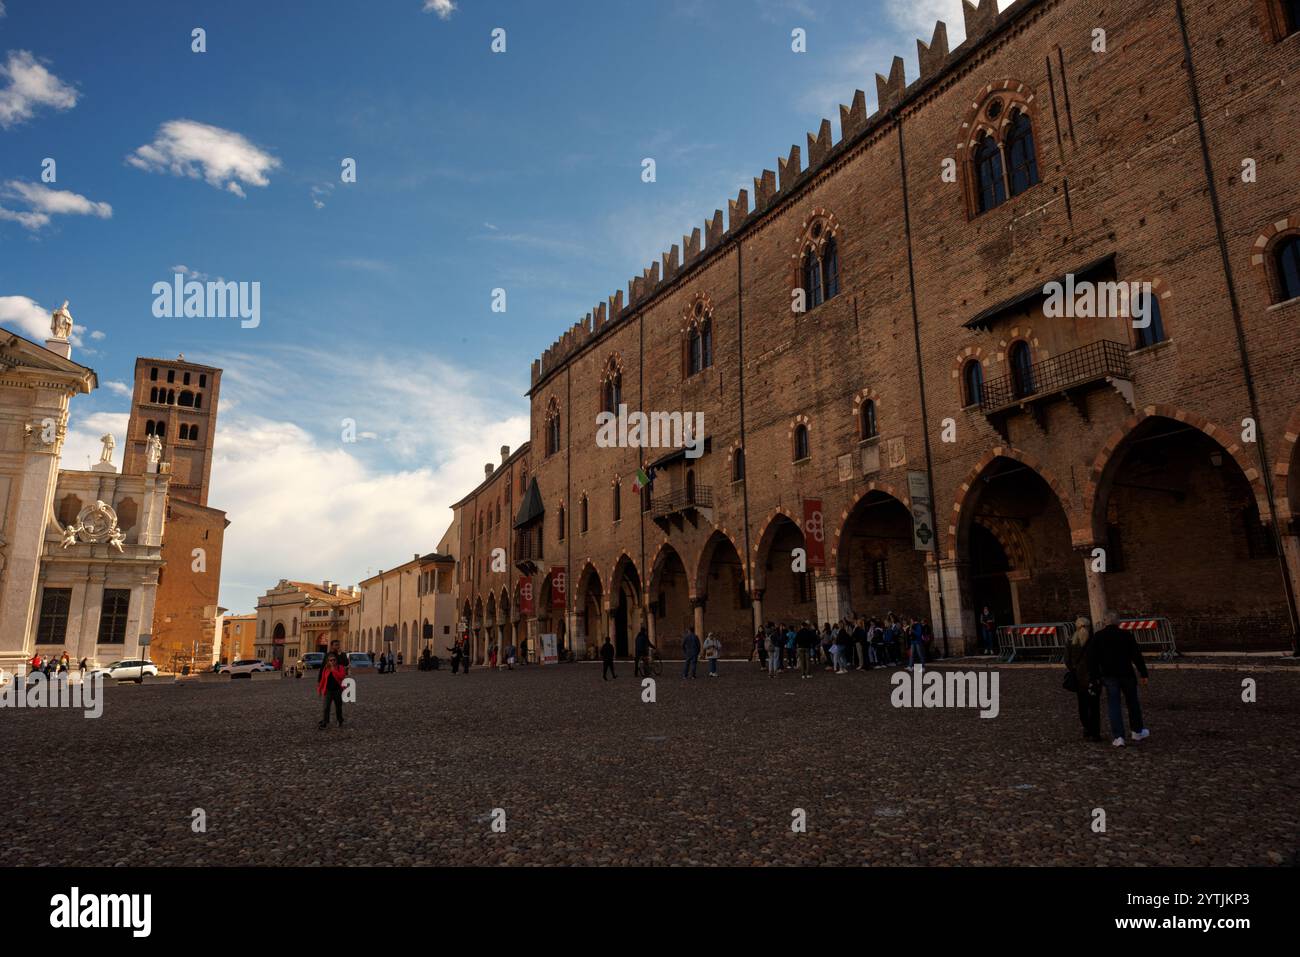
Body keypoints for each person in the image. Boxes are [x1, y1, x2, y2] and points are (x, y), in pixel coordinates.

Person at [1087, 612, 1150, 747]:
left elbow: (1092, 660)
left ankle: (1119, 736)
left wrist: (1094, 677)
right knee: (1133, 703)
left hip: (1109, 675)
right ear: (1118, 622)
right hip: (1127, 674)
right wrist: (1143, 673)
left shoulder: (1098, 637)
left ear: (1104, 622)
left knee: (1114, 705)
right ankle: (1137, 731)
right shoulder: (1126, 635)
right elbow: (1136, 655)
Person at [1065, 616, 1102, 741]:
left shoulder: (1071, 641)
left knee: (1082, 705)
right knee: (1094, 706)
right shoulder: (1094, 640)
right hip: (1093, 677)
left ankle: (1087, 728)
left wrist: (1073, 670)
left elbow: (1067, 660)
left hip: (1079, 679)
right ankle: (1095, 732)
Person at [317, 651, 347, 729]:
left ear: (336, 660)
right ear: (328, 661)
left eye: (334, 660)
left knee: (338, 707)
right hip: (328, 691)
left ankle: (340, 720)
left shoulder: (340, 667)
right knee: (326, 707)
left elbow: (342, 676)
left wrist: (334, 670)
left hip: (338, 690)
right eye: (331, 660)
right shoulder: (326, 669)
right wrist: (320, 689)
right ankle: (325, 722)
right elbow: (323, 679)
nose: (332, 661)